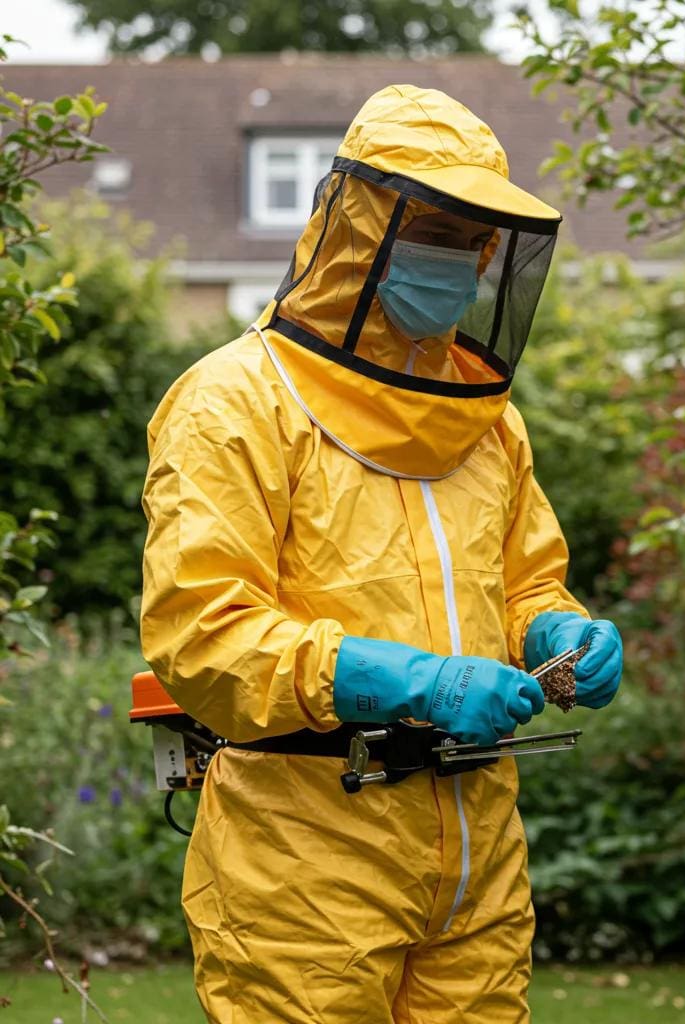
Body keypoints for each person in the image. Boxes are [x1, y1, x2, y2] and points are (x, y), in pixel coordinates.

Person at [140, 84, 624, 1024]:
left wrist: (556, 629)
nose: (459, 260)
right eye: (434, 231)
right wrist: (404, 680)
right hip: (305, 852)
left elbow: (524, 579)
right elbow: (202, 635)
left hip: (477, 845)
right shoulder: (235, 403)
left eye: (472, 239)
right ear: (360, 229)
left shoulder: (488, 424)